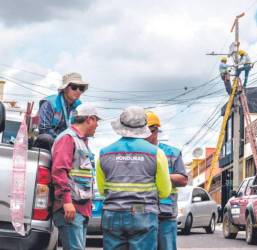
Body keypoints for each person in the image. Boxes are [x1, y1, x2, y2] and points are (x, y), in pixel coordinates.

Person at [96, 106, 171, 250]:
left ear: (121, 125)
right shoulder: (156, 153)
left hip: (112, 214)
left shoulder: (103, 153)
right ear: (144, 127)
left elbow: (101, 190)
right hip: (143, 214)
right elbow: (165, 191)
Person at [51, 103, 101, 250]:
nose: (97, 125)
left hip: (80, 208)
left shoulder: (81, 141)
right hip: (71, 207)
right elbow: (59, 171)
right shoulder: (68, 138)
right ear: (90, 119)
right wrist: (66, 201)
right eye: (97, 121)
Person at [146, 111, 188, 250]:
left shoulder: (171, 152)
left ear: (156, 130)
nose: (145, 137)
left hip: (166, 212)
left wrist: (161, 176)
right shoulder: (138, 152)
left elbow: (183, 180)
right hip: (143, 212)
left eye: (149, 132)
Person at [35, 72, 88, 151]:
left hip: (69, 142)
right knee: (45, 138)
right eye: (74, 87)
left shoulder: (79, 106)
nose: (78, 91)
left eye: (81, 88)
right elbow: (44, 129)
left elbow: (81, 129)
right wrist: (63, 140)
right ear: (65, 88)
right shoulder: (49, 103)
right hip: (52, 142)